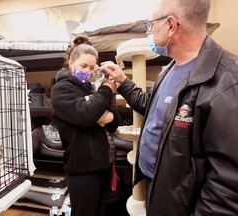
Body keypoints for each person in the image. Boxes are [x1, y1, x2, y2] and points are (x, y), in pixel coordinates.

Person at [100, 0, 238, 215]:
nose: (149, 32)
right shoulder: (169, 70)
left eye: (150, 25)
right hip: (157, 188)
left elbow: (227, 185)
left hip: (183, 203)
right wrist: (122, 81)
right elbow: (152, 108)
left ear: (171, 25)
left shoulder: (227, 81)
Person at [51, 35, 120, 216]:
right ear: (71, 63)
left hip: (103, 165)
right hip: (82, 169)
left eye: (92, 67)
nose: (88, 72)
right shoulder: (62, 89)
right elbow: (86, 115)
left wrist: (105, 115)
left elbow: (115, 122)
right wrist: (106, 90)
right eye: (83, 66)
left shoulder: (90, 89)